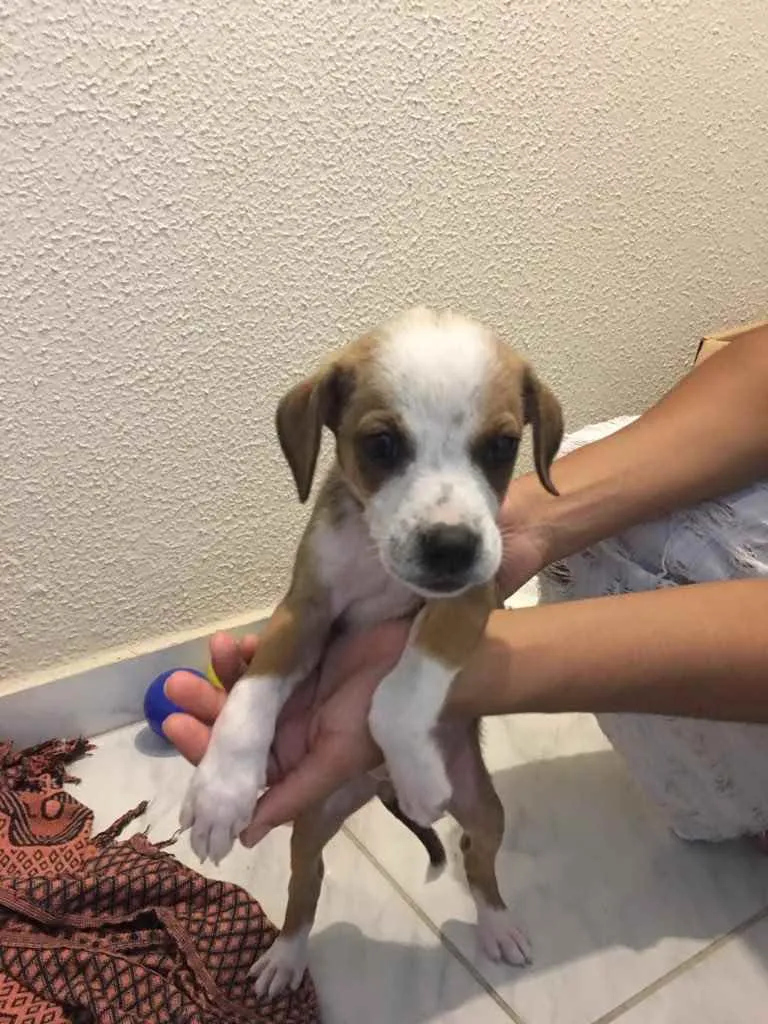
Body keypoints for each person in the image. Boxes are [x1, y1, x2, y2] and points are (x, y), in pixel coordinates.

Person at [164, 328, 768, 849]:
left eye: (496, 449)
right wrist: (242, 737)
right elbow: (304, 611)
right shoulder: (338, 519)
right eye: (384, 447)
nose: (448, 522)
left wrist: (438, 686)